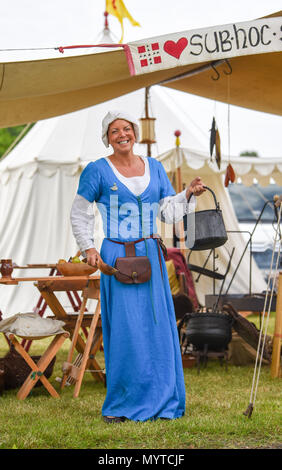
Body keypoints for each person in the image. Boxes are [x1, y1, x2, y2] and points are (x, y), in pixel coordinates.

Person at [70, 110, 206, 423]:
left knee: (157, 327)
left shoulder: (155, 168)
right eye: (114, 131)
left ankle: (162, 397)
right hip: (117, 258)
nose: (122, 135)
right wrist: (89, 247)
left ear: (134, 132)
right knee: (126, 329)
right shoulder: (97, 171)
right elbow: (80, 212)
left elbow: (169, 212)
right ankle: (123, 402)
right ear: (107, 137)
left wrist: (186, 193)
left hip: (150, 255)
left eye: (126, 129)